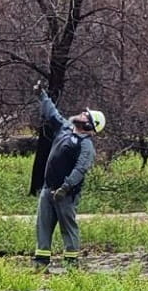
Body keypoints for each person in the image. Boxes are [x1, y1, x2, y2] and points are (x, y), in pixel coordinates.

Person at [33, 86, 104, 271]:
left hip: (66, 194)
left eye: (85, 115)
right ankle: (41, 264)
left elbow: (80, 169)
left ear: (90, 125)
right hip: (48, 190)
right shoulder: (65, 128)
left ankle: (71, 266)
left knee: (68, 229)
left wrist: (65, 188)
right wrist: (42, 95)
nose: (81, 114)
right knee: (43, 227)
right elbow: (52, 113)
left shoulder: (86, 144)